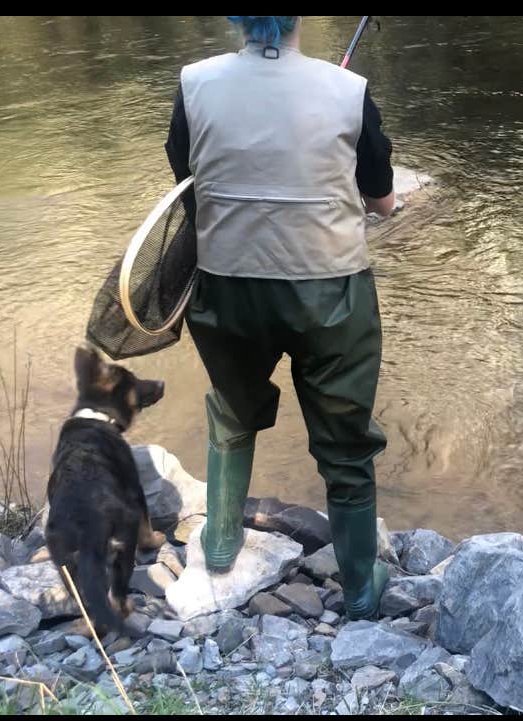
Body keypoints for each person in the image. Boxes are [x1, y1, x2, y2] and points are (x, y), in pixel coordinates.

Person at [164, 15, 396, 620]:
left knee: (233, 405)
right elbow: (383, 201)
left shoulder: (193, 83)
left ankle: (220, 544)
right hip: (332, 294)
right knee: (345, 438)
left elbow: (189, 180)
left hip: (228, 288)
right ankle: (360, 588)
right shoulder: (349, 91)